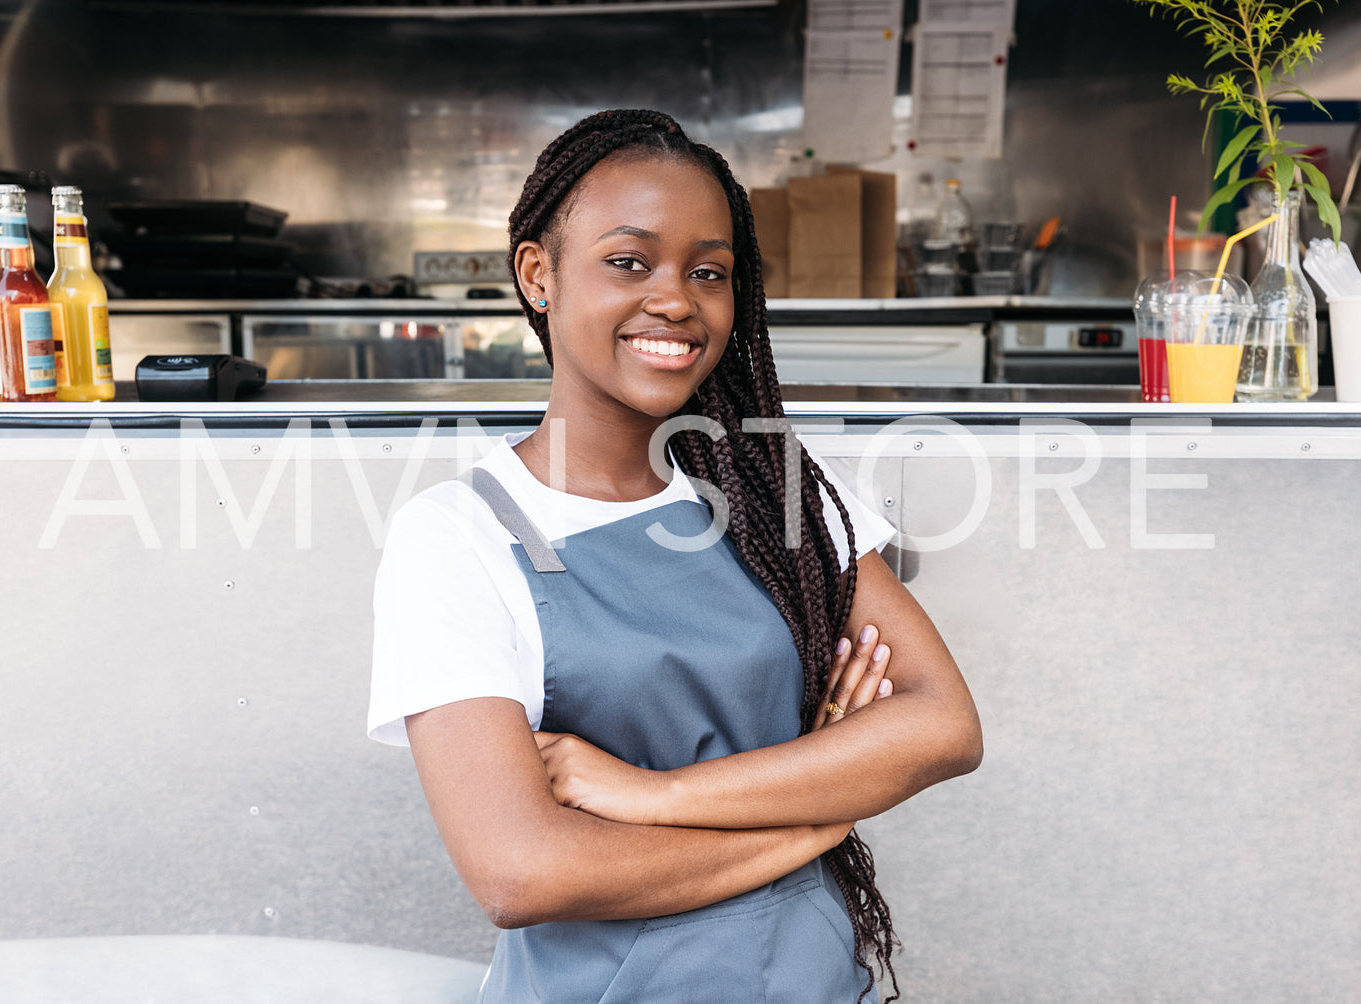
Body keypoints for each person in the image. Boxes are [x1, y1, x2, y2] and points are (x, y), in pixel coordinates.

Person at [368, 108, 982, 1003]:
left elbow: (942, 728)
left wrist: (651, 795)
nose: (675, 300)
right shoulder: (458, 536)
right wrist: (823, 804)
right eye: (628, 261)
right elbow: (520, 872)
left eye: (709, 272)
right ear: (538, 274)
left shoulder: (783, 491)